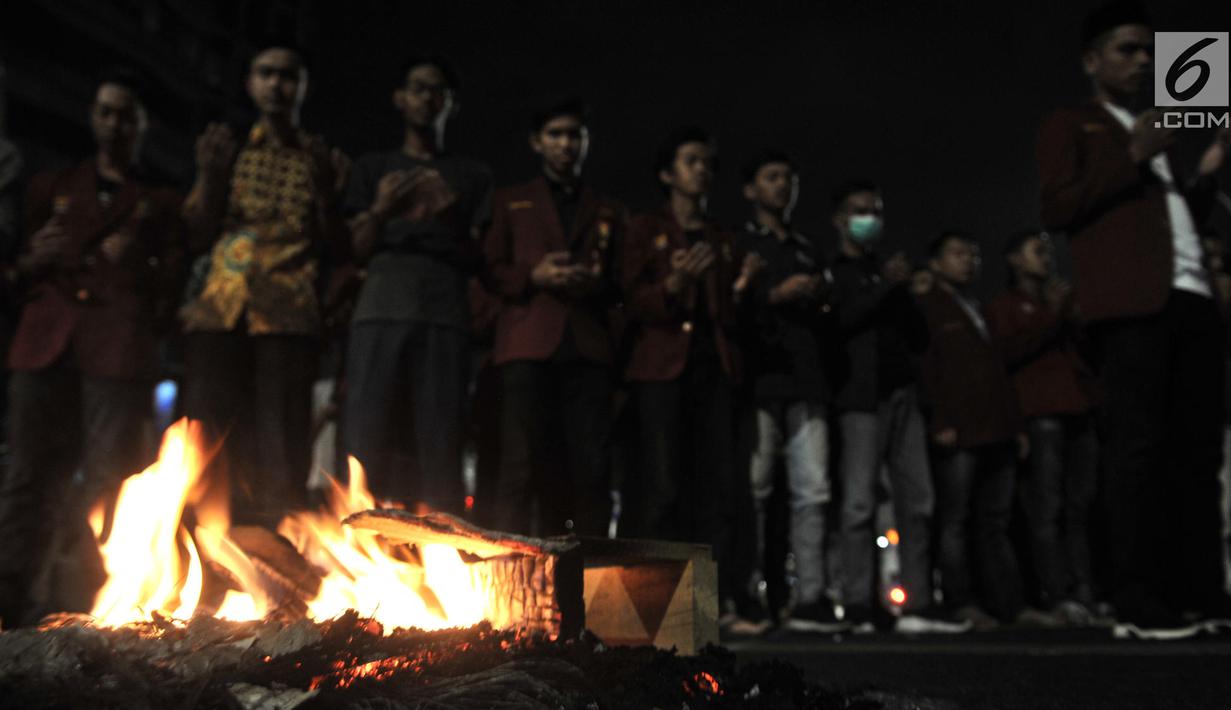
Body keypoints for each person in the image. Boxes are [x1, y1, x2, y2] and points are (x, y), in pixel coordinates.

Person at [1037, 1, 1231, 636]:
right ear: (1091, 60)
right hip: (1130, 306)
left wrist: (1205, 176)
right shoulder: (1073, 123)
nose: (1144, 61)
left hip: (1192, 298)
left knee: (1196, 455)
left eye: (1150, 50)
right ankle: (1137, 597)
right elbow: (1058, 208)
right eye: (1128, 49)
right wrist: (1131, 153)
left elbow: (1164, 223)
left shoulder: (1160, 130)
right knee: (1137, 452)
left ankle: (1201, 593)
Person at [0, 69, 185, 625]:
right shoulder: (50, 185)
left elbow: (175, 280)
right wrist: (30, 261)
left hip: (118, 347)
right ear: (92, 117)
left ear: (143, 123)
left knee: (112, 480)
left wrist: (144, 264)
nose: (114, 124)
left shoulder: (160, 198)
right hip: (45, 342)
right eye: (105, 111)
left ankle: (93, 608)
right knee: (27, 475)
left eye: (126, 114)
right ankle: (10, 602)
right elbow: (16, 265)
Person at [180, 44, 350, 522]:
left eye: (288, 75)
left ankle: (277, 545)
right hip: (221, 309)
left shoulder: (318, 158)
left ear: (304, 87)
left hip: (289, 314)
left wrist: (328, 196)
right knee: (208, 440)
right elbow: (194, 233)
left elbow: (341, 247)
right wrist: (209, 176)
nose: (276, 84)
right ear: (250, 83)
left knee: (281, 444)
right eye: (266, 73)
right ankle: (201, 545)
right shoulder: (228, 150)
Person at [621, 126, 763, 632]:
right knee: (661, 487)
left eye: (707, 162)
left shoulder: (723, 237)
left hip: (714, 371)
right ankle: (654, 611)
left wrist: (741, 288)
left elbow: (733, 317)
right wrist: (675, 283)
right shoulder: (644, 229)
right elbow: (628, 301)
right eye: (691, 161)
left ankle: (710, 608)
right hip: (660, 369)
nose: (702, 170)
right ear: (667, 173)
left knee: (718, 489)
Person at [342, 55, 492, 512]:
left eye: (436, 90)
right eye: (417, 88)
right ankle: (358, 532)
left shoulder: (472, 175)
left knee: (440, 437)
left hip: (444, 311)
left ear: (451, 103)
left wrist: (448, 214)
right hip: (380, 306)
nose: (426, 98)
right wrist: (383, 208)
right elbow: (353, 248)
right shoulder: (373, 167)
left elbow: (483, 259)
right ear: (399, 98)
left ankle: (441, 540)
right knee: (367, 431)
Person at [482, 97, 625, 535]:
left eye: (574, 135)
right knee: (520, 466)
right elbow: (488, 269)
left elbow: (622, 282)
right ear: (537, 142)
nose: (566, 144)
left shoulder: (607, 207)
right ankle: (506, 566)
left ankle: (587, 569)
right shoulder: (510, 201)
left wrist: (593, 282)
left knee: (589, 469)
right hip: (527, 345)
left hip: (587, 347)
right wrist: (534, 275)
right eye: (556, 134)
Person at [828, 181, 966, 633]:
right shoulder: (836, 272)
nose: (870, 219)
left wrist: (904, 291)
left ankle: (919, 603)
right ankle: (859, 604)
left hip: (904, 394)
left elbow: (919, 337)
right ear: (839, 219)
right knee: (859, 504)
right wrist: (888, 286)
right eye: (860, 210)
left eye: (876, 211)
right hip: (860, 397)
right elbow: (842, 323)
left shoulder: (889, 273)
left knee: (919, 500)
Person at [920, 232, 1057, 630]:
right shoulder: (929, 307)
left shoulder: (978, 308)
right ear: (935, 263)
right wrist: (940, 419)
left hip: (996, 428)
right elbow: (927, 368)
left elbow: (999, 372)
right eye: (958, 253)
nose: (968, 260)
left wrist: (1015, 426)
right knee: (956, 520)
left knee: (995, 521)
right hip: (960, 430)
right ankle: (961, 601)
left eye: (973, 254)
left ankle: (1010, 605)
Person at [736, 150, 843, 631]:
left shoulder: (807, 247)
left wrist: (819, 299)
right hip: (760, 382)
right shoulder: (743, 243)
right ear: (750, 189)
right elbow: (734, 312)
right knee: (756, 491)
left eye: (789, 178)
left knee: (812, 492)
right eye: (772, 176)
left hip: (807, 382)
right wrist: (774, 295)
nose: (782, 185)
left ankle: (810, 598)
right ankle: (750, 594)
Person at [985, 230, 1100, 622]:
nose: (1047, 258)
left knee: (1080, 507)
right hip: (1040, 414)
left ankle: (1085, 591)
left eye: (1049, 251)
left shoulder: (1061, 303)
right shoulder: (1004, 306)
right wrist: (1053, 316)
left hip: (1079, 411)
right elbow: (1006, 355)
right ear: (1014, 260)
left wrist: (1073, 319)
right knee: (1046, 508)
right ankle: (1057, 593)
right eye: (1037, 251)